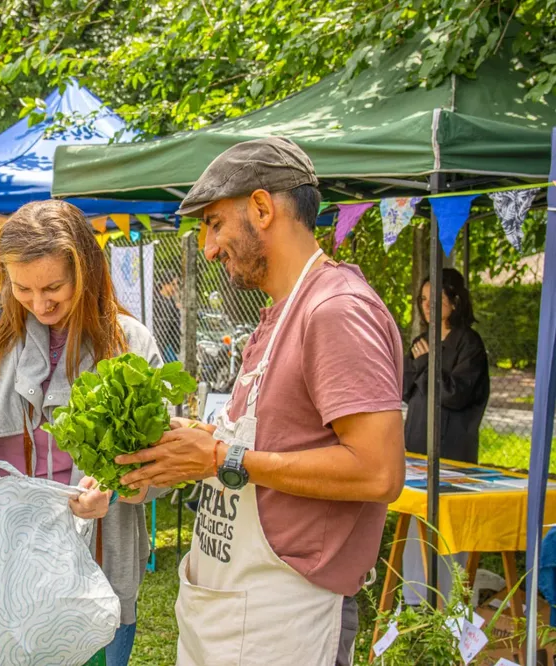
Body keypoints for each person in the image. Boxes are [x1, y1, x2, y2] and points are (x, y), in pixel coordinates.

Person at [114, 137, 405, 665]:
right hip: (235, 611)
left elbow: (378, 471)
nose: (207, 246)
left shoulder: (335, 309)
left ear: (263, 208)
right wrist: (191, 447)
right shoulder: (279, 312)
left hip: (289, 616)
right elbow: (274, 441)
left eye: (215, 223)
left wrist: (223, 458)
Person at [0, 200, 163, 666]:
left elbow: (163, 464)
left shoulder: (130, 342)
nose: (39, 304)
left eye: (54, 289)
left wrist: (116, 487)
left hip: (87, 562)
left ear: (85, 272)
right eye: (22, 289)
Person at [401, 267, 489, 606]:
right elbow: (405, 388)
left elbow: (456, 394)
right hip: (419, 448)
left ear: (454, 300)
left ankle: (448, 602)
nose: (427, 307)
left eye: (435, 300)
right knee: (416, 529)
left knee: (450, 528)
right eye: (423, 300)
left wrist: (427, 364)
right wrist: (419, 363)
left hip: (452, 450)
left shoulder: (469, 343)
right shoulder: (423, 342)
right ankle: (414, 601)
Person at [153, 269, 182, 362]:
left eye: (176, 284)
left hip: (166, 344)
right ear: (165, 284)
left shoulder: (171, 303)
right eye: (173, 284)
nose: (176, 287)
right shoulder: (155, 301)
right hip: (158, 342)